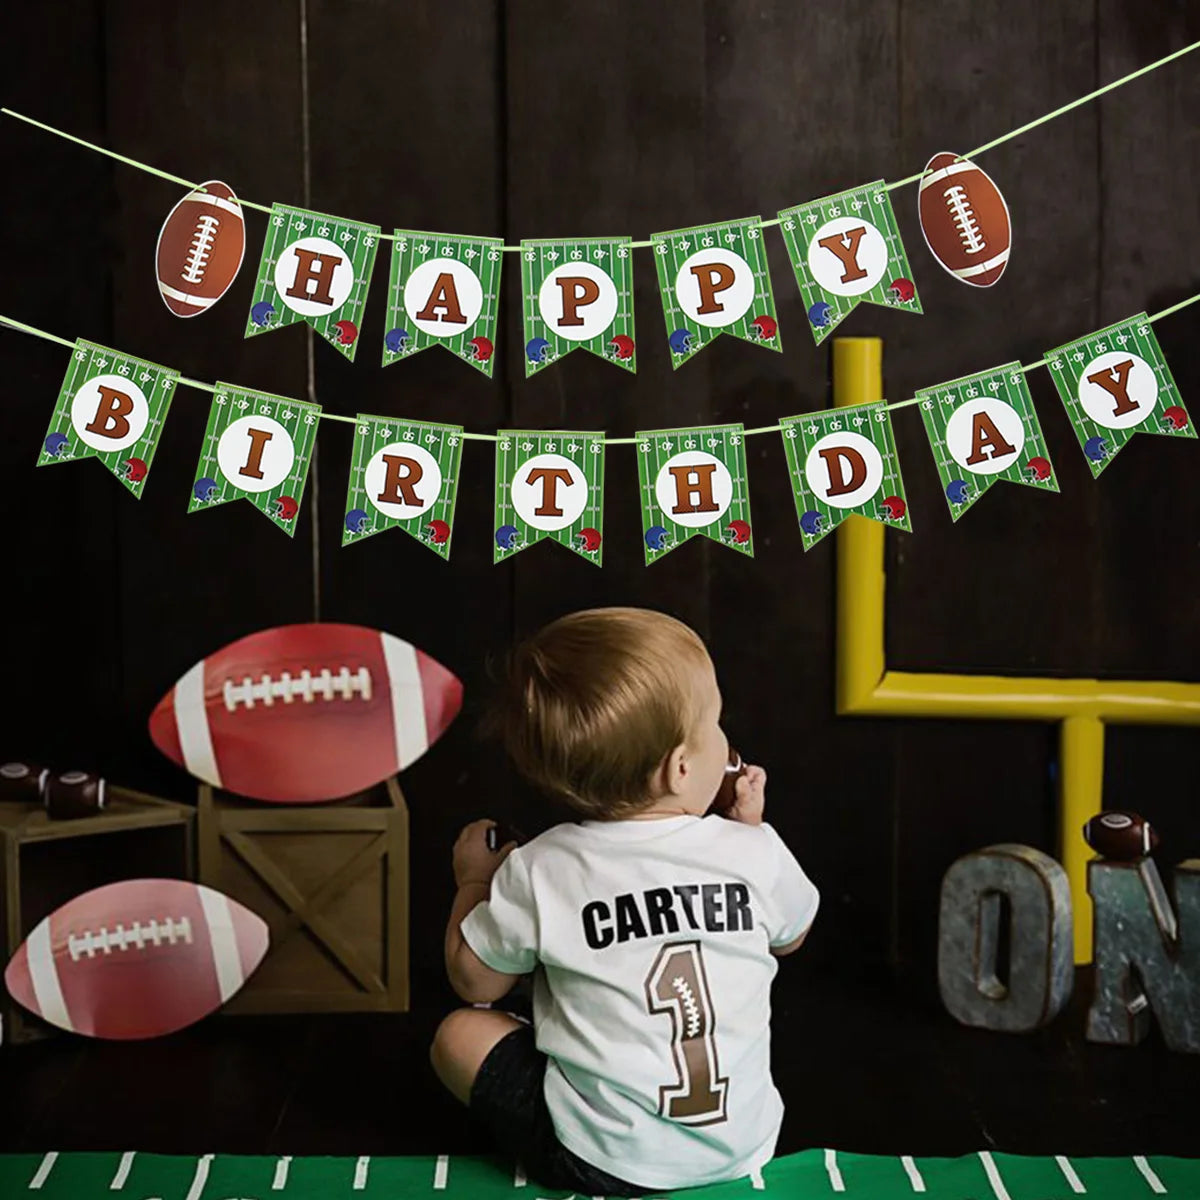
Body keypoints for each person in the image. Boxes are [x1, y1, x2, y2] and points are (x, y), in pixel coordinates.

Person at [431, 607, 819, 1196]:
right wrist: (751, 833)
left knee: (458, 1034)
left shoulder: (541, 867)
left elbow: (473, 981)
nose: (725, 737)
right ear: (683, 767)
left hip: (600, 1160)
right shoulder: (753, 850)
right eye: (715, 722)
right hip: (740, 1145)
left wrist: (475, 880)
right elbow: (791, 937)